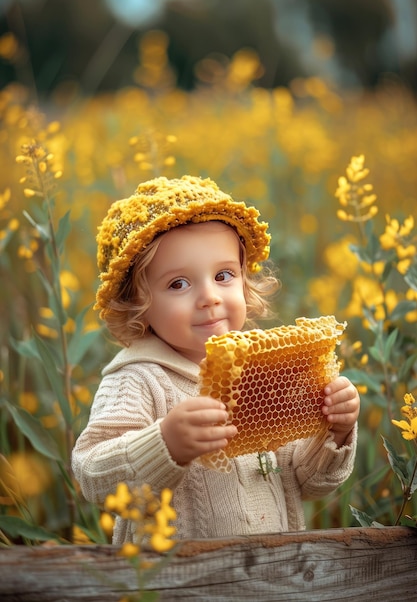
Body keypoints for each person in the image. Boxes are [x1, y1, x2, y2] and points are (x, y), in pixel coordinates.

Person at [72, 174, 360, 543]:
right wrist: (165, 443)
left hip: (272, 578)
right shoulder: (137, 379)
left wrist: (334, 430)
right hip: (175, 585)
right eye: (179, 283)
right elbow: (94, 478)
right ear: (137, 305)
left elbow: (309, 483)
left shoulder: (265, 373)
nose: (209, 296)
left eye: (223, 275)